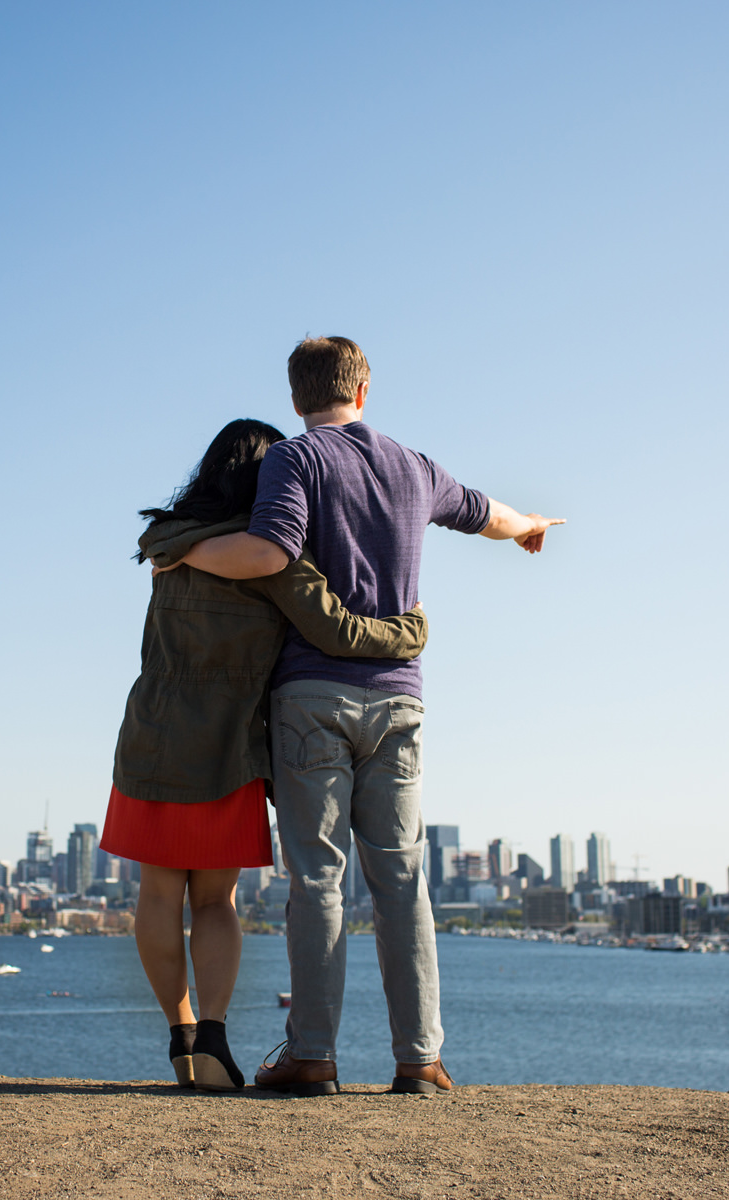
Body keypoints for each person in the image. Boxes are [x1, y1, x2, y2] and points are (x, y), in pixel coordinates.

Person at [159, 338, 562, 1096]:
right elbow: (490, 515)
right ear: (365, 389)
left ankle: (312, 1056)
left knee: (318, 878)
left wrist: (188, 554)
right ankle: (421, 1060)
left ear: (295, 398)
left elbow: (269, 553)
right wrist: (532, 523)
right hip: (401, 696)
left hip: (314, 694)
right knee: (403, 878)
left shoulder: (297, 460)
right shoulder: (416, 466)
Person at [102, 417, 432, 1092]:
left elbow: (155, 541)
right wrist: (410, 630)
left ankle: (183, 1033)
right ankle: (217, 1039)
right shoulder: (273, 558)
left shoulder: (168, 542)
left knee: (158, 893)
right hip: (229, 745)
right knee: (216, 901)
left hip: (153, 732)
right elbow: (339, 630)